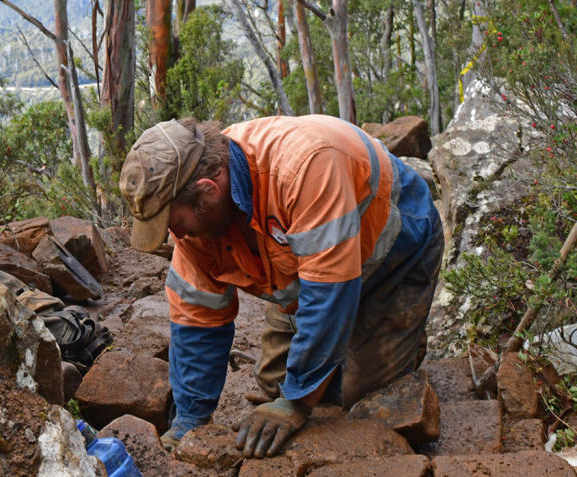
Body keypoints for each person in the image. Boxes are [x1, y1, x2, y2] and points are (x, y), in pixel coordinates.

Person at [118, 115, 443, 458]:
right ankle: (342, 349)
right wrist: (189, 420)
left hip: (393, 255)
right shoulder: (196, 218)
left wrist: (298, 400)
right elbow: (196, 319)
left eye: (176, 224)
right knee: (275, 385)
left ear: (208, 191)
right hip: (305, 276)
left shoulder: (306, 166)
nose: (177, 236)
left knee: (355, 398)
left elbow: (329, 295)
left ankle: (398, 336)